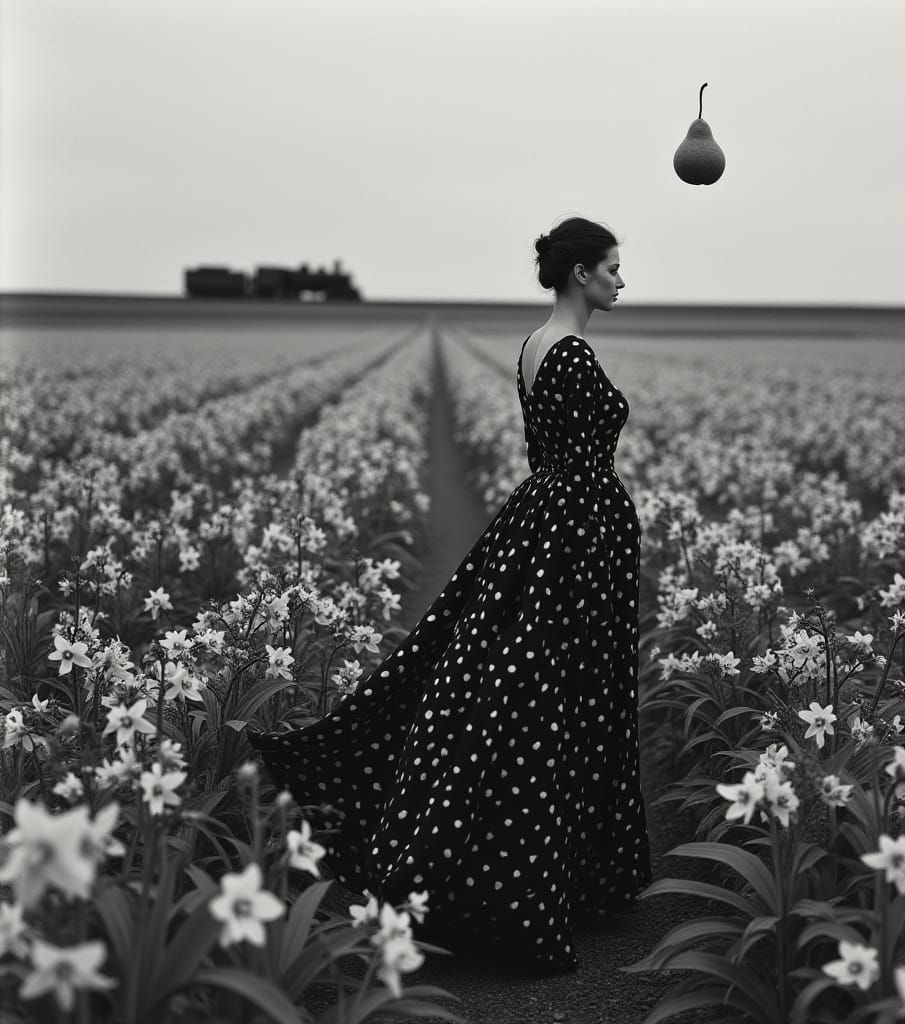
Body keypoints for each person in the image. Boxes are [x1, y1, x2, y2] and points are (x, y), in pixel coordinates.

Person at [249, 215, 651, 973]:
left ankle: (563, 874)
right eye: (612, 267)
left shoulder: (536, 345)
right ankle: (517, 885)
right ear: (579, 275)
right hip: (574, 538)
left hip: (556, 526)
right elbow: (578, 455)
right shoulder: (567, 352)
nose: (622, 279)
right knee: (556, 700)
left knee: (531, 691)